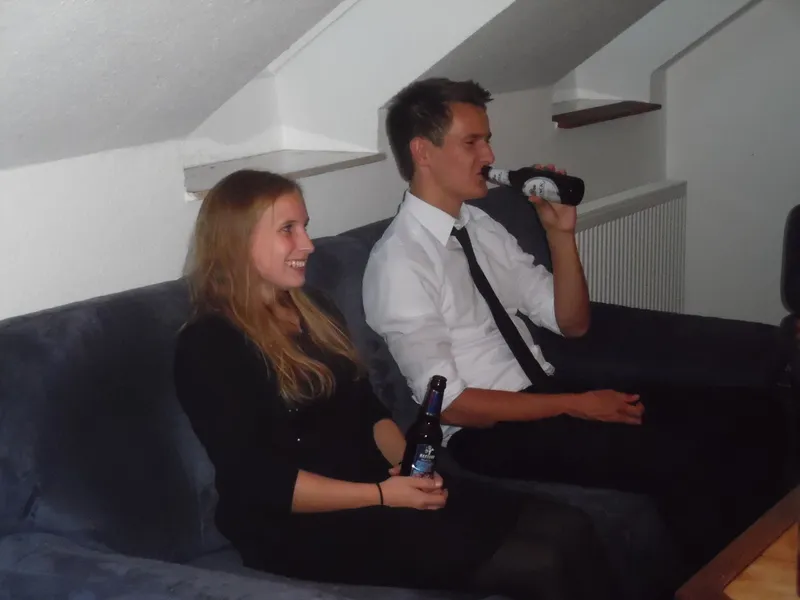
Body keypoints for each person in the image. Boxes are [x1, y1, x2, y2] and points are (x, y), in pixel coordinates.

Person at [362, 77, 787, 579]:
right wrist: (575, 404)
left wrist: (560, 235)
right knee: (682, 459)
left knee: (743, 410)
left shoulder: (479, 225)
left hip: (549, 391)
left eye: (487, 140)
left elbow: (572, 323)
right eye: (472, 142)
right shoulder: (400, 263)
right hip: (490, 434)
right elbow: (452, 405)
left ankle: (776, 564)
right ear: (423, 152)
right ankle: (722, 583)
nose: (490, 155)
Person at [173, 169, 620, 600]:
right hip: (300, 525)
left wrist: (414, 470)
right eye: (287, 230)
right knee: (540, 562)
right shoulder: (209, 345)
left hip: (376, 486)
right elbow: (258, 482)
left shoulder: (313, 308)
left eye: (304, 227)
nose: (307, 244)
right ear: (237, 240)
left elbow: (368, 410)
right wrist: (383, 495)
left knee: (568, 525)